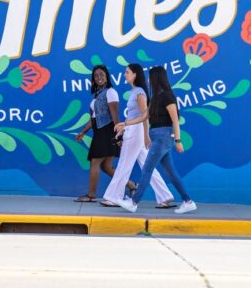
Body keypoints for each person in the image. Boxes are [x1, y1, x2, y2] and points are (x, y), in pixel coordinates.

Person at [117, 66, 197, 214]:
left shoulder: (168, 96)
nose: (148, 79)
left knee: (147, 169)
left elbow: (175, 120)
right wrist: (125, 124)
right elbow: (144, 117)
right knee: (171, 172)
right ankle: (188, 201)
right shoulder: (155, 97)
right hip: (158, 137)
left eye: (150, 77)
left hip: (163, 136)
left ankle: (134, 203)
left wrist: (178, 141)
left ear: (156, 78)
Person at [102, 64, 175, 208]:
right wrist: (125, 128)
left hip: (136, 131)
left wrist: (146, 135)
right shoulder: (135, 91)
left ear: (135, 74)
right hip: (134, 130)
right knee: (147, 165)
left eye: (127, 72)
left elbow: (145, 116)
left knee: (124, 163)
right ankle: (165, 195)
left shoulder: (139, 92)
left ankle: (113, 197)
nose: (125, 74)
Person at [73, 64, 127, 202]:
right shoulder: (97, 95)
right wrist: (83, 132)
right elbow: (93, 118)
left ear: (107, 76)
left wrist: (118, 135)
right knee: (106, 167)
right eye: (96, 76)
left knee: (95, 161)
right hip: (99, 131)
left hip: (107, 131)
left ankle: (91, 195)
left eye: (101, 75)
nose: (99, 78)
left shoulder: (110, 92)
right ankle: (133, 185)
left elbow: (115, 115)